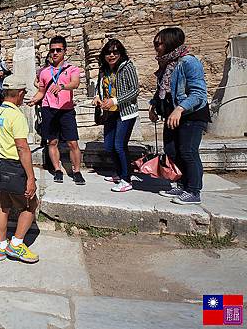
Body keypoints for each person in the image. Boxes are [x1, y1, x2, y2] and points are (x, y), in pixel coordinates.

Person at [149, 27, 211, 205]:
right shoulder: (166, 64)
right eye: (156, 43)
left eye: (159, 43)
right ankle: (182, 184)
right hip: (171, 115)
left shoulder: (188, 62)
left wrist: (180, 109)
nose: (157, 47)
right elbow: (163, 90)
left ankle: (194, 191)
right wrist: (154, 106)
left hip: (190, 115)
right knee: (172, 151)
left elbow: (199, 94)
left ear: (171, 43)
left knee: (188, 152)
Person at [0, 75, 39, 263]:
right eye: (24, 92)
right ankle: (16, 245)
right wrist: (31, 177)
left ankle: (1, 246)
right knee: (30, 205)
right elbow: (22, 148)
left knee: (4, 205)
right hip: (12, 165)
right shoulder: (16, 115)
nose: (24, 96)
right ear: (19, 93)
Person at [29, 36, 85, 185]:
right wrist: (34, 99)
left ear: (64, 51)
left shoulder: (72, 69)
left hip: (66, 109)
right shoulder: (45, 72)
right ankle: (57, 169)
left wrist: (62, 87)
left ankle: (77, 171)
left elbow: (75, 83)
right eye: (52, 50)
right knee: (52, 141)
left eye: (58, 50)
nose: (55, 53)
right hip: (49, 109)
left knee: (72, 142)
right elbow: (41, 91)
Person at [92, 39, 140, 192]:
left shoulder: (127, 67)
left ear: (121, 53)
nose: (111, 55)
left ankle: (126, 179)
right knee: (109, 146)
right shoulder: (104, 69)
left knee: (119, 146)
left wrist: (114, 100)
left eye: (115, 52)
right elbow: (100, 87)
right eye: (108, 52)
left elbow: (134, 91)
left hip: (124, 112)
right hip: (109, 112)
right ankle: (119, 173)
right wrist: (97, 97)